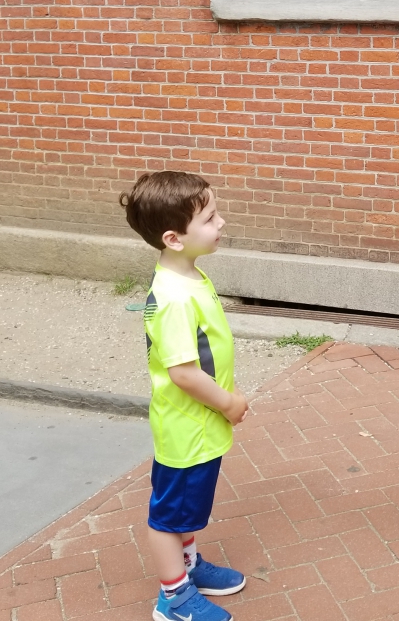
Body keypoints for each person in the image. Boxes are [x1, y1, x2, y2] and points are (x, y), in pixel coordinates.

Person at [120, 171, 250, 621]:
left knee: (186, 510)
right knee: (169, 517)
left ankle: (188, 567)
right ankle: (173, 599)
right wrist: (229, 403)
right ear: (175, 238)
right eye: (211, 218)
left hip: (198, 425)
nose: (222, 223)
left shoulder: (189, 276)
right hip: (186, 428)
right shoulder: (175, 297)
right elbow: (183, 373)